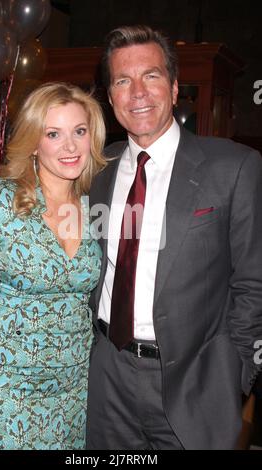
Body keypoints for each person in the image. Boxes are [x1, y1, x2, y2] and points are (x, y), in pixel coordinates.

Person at [85, 25, 262, 450]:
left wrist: (235, 372)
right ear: (110, 98)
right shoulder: (94, 168)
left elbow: (254, 282)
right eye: (123, 81)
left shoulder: (233, 167)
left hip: (195, 383)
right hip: (106, 376)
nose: (138, 93)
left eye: (151, 76)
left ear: (175, 86)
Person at [0, 82, 106, 450]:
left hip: (77, 390)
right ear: (34, 142)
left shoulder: (96, 207)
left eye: (79, 131)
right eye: (53, 134)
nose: (70, 146)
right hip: (8, 389)